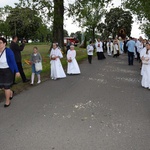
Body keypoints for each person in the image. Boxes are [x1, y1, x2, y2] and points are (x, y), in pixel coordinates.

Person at [0, 37, 20, 107]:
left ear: (4, 43)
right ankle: (11, 92)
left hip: (8, 71)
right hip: (0, 71)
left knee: (6, 87)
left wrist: (17, 71)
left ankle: (7, 101)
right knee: (2, 86)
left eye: (0, 43)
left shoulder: (8, 51)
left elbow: (13, 62)